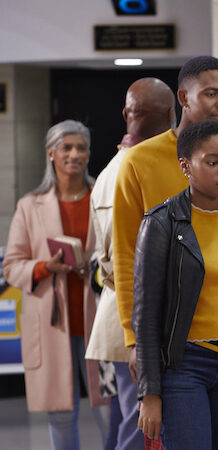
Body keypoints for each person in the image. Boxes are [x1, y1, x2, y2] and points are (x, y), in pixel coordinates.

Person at [111, 56, 218, 401]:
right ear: (183, 98)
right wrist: (134, 339)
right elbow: (125, 258)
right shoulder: (139, 162)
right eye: (212, 93)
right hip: (172, 348)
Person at [132, 120, 218, 449]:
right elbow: (146, 316)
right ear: (186, 165)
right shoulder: (161, 223)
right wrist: (149, 394)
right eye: (212, 162)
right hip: (184, 368)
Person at [3, 120, 111, 449]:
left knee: (111, 410)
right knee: (61, 413)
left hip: (98, 320)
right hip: (53, 324)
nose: (75, 154)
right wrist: (44, 267)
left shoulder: (103, 199)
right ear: (51, 153)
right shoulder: (29, 206)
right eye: (67, 148)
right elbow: (12, 266)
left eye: (81, 147)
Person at [85, 77, 175, 450]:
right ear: (173, 117)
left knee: (132, 422)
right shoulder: (141, 170)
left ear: (126, 114)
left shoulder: (109, 172)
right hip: (140, 316)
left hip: (118, 311)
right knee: (141, 430)